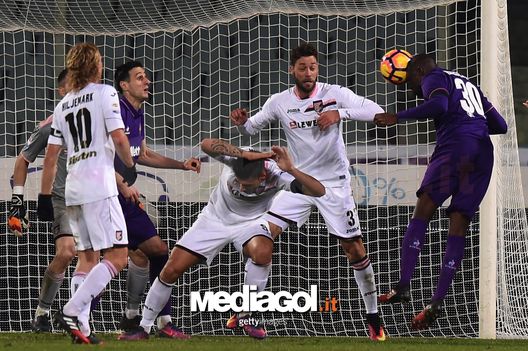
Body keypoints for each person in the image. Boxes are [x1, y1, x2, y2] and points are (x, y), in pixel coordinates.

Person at [229, 42, 386, 341]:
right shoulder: (279, 101)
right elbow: (253, 128)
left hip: (334, 185)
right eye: (302, 67)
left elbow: (376, 111)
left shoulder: (334, 94)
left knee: (355, 251)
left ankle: (373, 318)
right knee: (262, 240)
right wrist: (242, 123)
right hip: (298, 183)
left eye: (313, 67)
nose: (309, 72)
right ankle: (247, 312)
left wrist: (340, 114)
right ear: (292, 70)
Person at [117, 138, 325, 341]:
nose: (242, 188)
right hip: (213, 220)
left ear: (263, 176)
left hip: (250, 222)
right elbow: (206, 144)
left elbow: (319, 191)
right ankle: (144, 327)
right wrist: (245, 154)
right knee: (172, 269)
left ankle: (245, 316)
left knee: (262, 252)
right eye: (239, 182)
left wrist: (292, 170)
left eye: (247, 185)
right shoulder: (235, 160)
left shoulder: (278, 175)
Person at [375, 54, 507, 330]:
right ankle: (436, 302)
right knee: (459, 224)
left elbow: (437, 104)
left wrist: (397, 117)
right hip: (483, 152)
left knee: (424, 208)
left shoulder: (435, 76)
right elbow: (501, 126)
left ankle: (403, 285)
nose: (412, 89)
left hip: (456, 145)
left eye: (410, 81)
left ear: (419, 68)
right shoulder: (468, 83)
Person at [38, 42, 137, 344]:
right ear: (95, 66)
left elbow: (52, 157)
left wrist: (43, 197)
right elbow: (119, 138)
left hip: (73, 191)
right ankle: (71, 310)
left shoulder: (62, 105)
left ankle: (81, 327)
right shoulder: (106, 93)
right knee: (119, 257)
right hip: (100, 187)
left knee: (87, 258)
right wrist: (129, 167)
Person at [7, 69, 100, 338]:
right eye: (74, 86)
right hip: (62, 199)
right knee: (67, 252)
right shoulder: (51, 123)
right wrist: (18, 200)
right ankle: (42, 312)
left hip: (92, 197)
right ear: (62, 92)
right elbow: (23, 159)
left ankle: (79, 316)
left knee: (99, 260)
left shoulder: (94, 119)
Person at [113, 61, 201, 338]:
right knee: (100, 258)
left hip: (123, 196)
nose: (147, 81)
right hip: (106, 195)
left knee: (157, 250)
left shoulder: (136, 113)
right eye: (139, 78)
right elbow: (101, 157)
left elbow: (143, 154)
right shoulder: (115, 112)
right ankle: (77, 318)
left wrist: (181, 165)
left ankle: (161, 322)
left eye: (147, 77)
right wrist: (122, 184)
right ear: (123, 85)